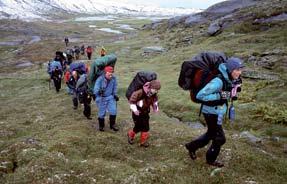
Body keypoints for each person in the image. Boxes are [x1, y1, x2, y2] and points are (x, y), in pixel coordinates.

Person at [185, 57, 244, 167]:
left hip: (217, 111)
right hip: (211, 112)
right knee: (220, 138)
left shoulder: (229, 78)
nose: (239, 73)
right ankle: (210, 160)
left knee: (210, 134)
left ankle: (191, 147)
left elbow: (225, 93)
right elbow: (200, 95)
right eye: (237, 70)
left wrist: (231, 92)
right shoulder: (218, 81)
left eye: (240, 69)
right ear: (230, 69)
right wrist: (220, 95)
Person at [127, 80, 161, 147]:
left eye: (157, 90)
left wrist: (155, 109)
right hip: (137, 112)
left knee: (146, 127)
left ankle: (143, 141)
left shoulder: (154, 95)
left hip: (145, 112)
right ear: (151, 87)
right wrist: (135, 110)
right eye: (155, 89)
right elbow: (132, 101)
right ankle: (130, 135)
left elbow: (155, 102)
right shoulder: (139, 92)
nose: (156, 91)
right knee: (138, 126)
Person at [93, 66, 119, 132]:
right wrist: (98, 91)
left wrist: (115, 95)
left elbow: (115, 87)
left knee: (113, 110)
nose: (111, 75)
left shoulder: (114, 79)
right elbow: (95, 89)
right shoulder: (100, 79)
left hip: (110, 97)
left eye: (111, 74)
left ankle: (112, 125)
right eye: (109, 74)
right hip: (101, 98)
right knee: (101, 113)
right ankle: (101, 126)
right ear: (105, 73)